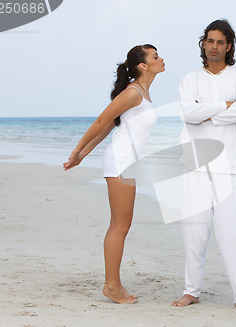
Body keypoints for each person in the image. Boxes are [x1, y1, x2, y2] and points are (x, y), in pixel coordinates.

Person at [171, 19, 236, 313]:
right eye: (209, 41)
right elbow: (188, 113)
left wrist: (206, 113)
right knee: (194, 233)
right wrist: (225, 106)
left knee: (234, 234)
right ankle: (191, 291)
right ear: (203, 44)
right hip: (195, 166)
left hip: (232, 167)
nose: (214, 47)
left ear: (229, 46)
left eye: (220, 42)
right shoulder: (189, 80)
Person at [63, 44, 165, 304]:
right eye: (155, 56)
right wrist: (77, 152)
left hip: (126, 163)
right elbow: (100, 121)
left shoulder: (142, 91)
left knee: (122, 224)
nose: (161, 59)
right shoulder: (133, 92)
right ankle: (111, 286)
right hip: (120, 162)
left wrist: (84, 155)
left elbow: (110, 125)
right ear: (143, 65)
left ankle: (115, 284)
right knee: (120, 225)